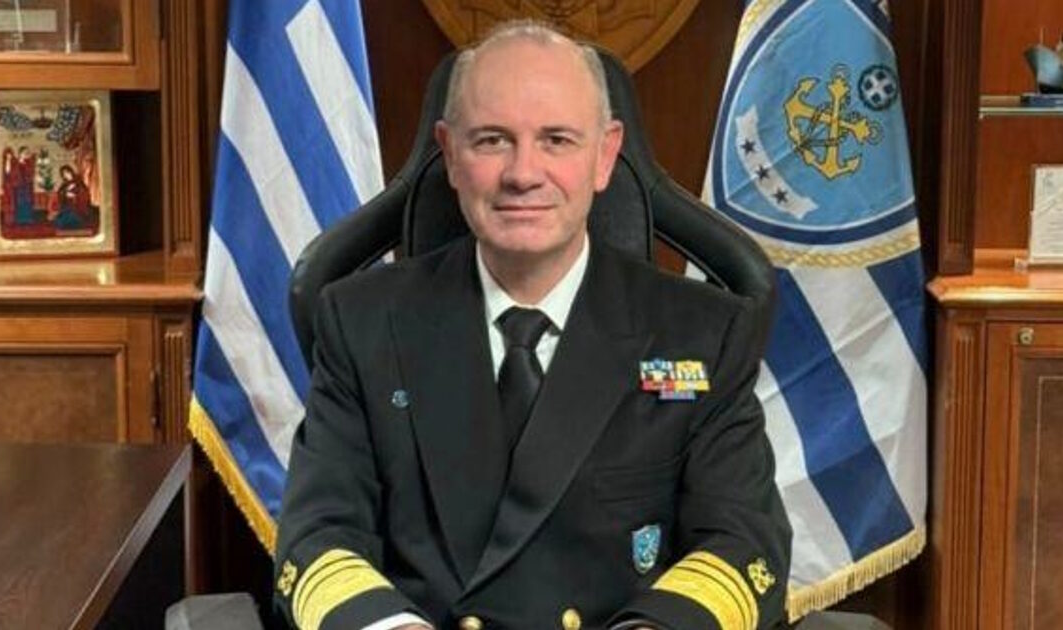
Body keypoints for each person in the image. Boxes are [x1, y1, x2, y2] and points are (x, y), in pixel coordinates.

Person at [274, 21, 790, 630]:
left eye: (557, 140)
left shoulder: (702, 333)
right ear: (450, 154)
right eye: (493, 140)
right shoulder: (360, 321)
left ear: (605, 155)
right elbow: (318, 535)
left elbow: (741, 540)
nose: (523, 173)